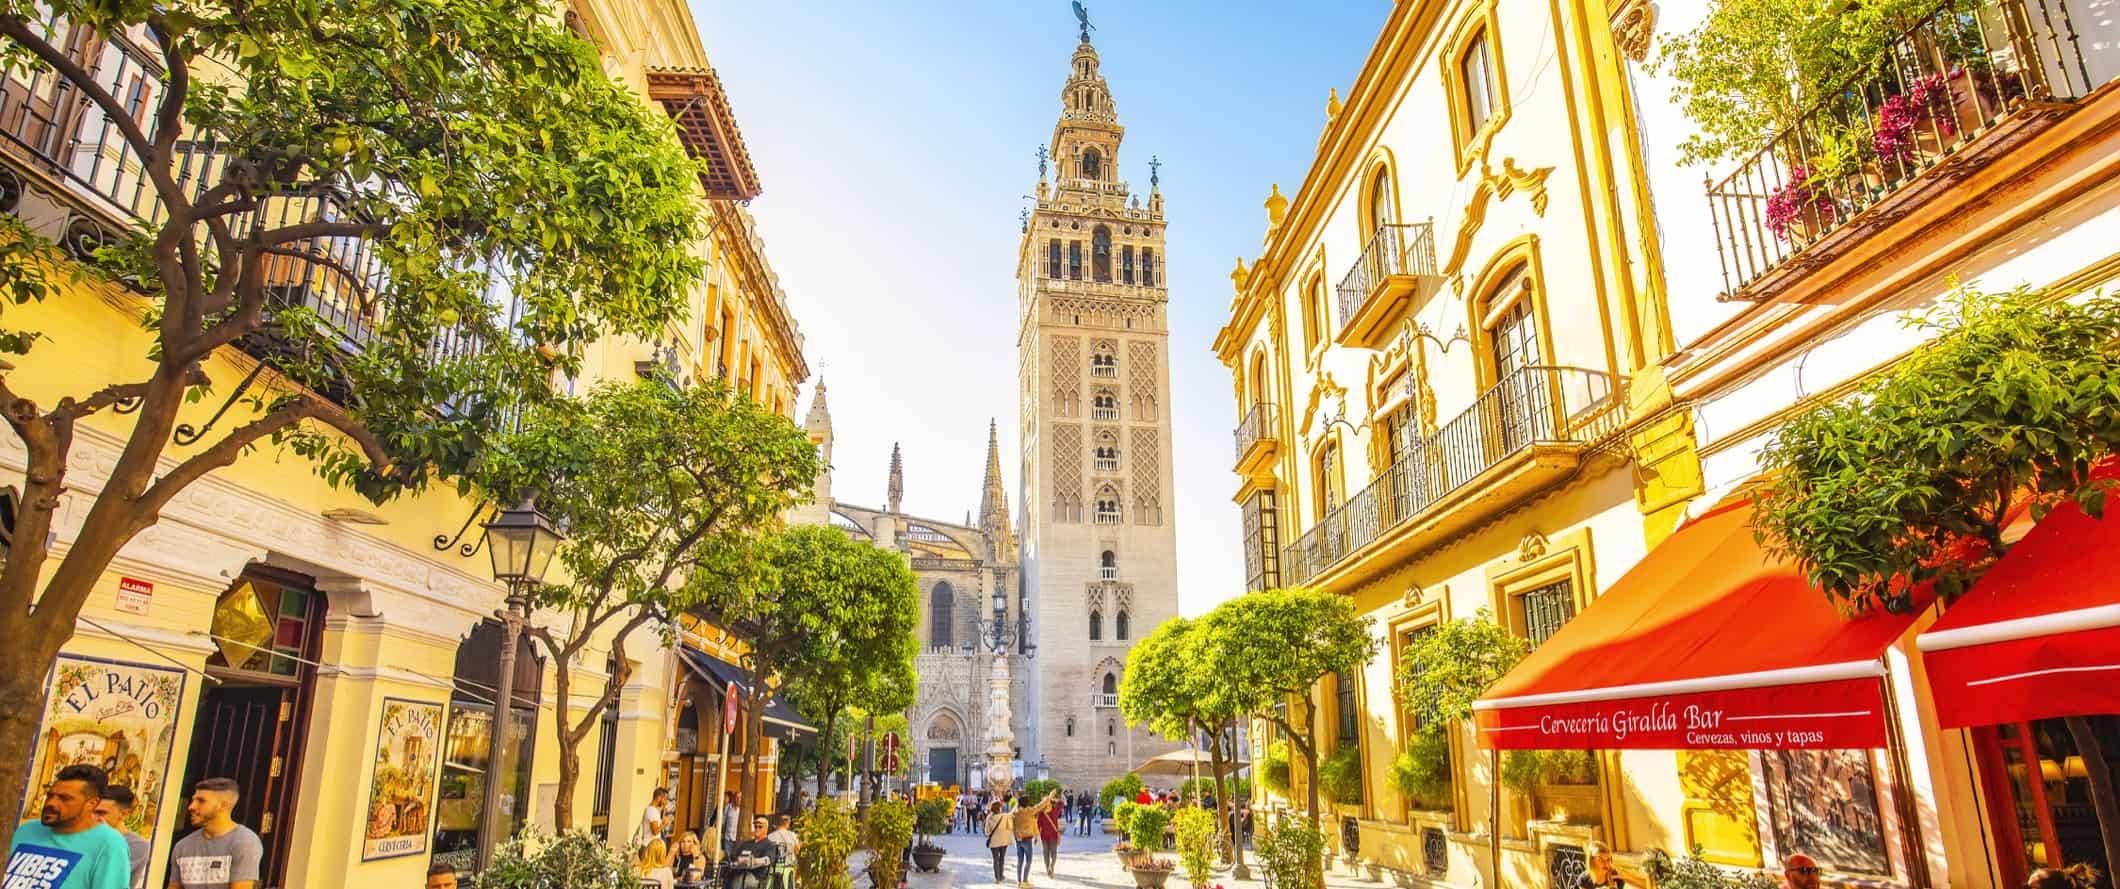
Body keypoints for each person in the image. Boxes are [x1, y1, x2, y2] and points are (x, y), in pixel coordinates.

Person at [7, 763, 133, 889]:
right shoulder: (27, 830)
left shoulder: (109, 844)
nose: (51, 803)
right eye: (50, 796)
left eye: (64, 798)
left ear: (91, 804)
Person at [167, 777, 263, 889]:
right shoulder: (182, 847)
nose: (191, 807)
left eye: (201, 801)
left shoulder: (245, 842)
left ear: (223, 806)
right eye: (193, 800)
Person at [93, 784, 151, 889]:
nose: (94, 818)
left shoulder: (136, 844)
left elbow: (107, 879)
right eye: (92, 812)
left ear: (124, 814)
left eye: (101, 813)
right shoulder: (87, 835)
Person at [1011, 790, 1058, 887]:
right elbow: (1040, 805)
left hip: (1018, 839)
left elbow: (1012, 823)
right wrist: (1049, 797)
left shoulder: (1015, 812)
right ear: (1027, 803)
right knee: (1028, 861)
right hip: (1027, 839)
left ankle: (1019, 882)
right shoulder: (1029, 811)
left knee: (1020, 861)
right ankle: (1025, 881)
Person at [729, 817, 781, 889]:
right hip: (739, 872)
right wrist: (738, 860)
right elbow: (734, 856)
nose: (757, 829)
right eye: (755, 826)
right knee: (727, 876)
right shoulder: (746, 843)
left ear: (766, 829)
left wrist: (755, 861)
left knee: (740, 880)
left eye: (760, 827)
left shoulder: (769, 845)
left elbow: (768, 859)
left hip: (756, 876)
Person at [1036, 791, 1064, 879]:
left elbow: (1061, 803)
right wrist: (1036, 837)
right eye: (1044, 803)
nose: (1046, 804)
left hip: (1053, 836)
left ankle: (1051, 867)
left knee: (1053, 853)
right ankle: (1048, 868)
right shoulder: (1041, 813)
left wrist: (1051, 797)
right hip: (1044, 836)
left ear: (1050, 803)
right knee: (1045, 853)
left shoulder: (1055, 810)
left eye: (1047, 802)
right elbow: (1038, 825)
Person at [983, 800, 1012, 882]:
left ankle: (997, 877)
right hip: (1004, 840)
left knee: (995, 859)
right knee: (1002, 858)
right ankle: (1001, 875)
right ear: (999, 808)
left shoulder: (989, 817)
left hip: (994, 841)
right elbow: (1010, 827)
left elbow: (986, 831)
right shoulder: (1005, 816)